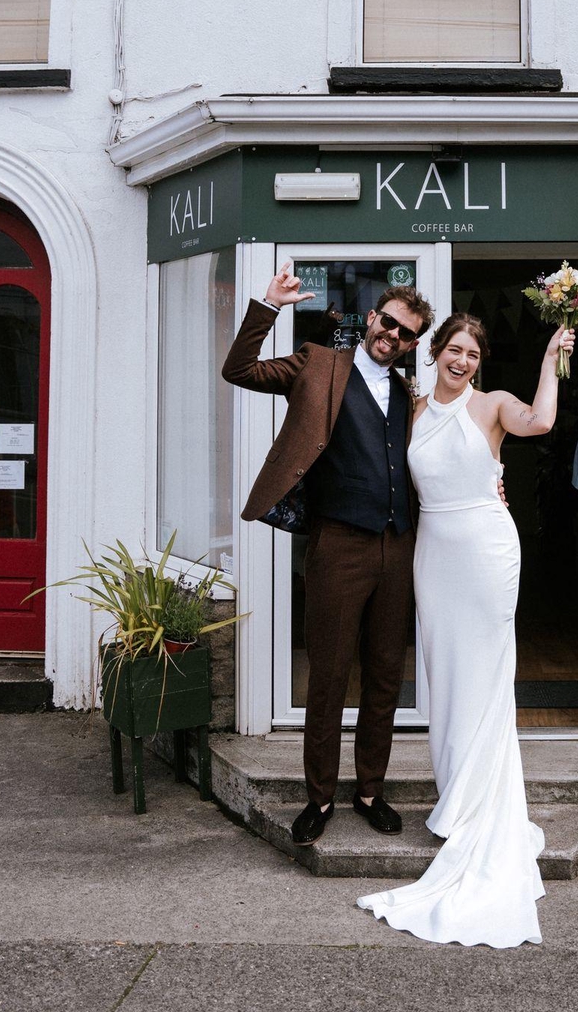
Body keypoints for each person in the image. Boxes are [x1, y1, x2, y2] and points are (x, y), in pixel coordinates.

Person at [358, 312, 575, 949]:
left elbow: (542, 422)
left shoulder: (495, 405)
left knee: (485, 675)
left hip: (485, 549)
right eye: (454, 349)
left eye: (473, 354)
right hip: (434, 553)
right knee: (445, 675)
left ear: (481, 362)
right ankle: (455, 796)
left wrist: (549, 360)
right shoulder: (411, 411)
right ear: (435, 351)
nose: (462, 361)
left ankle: (480, 805)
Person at [221, 262, 433, 847]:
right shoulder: (318, 363)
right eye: (389, 323)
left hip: (398, 546)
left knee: (385, 676)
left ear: (413, 344)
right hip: (338, 545)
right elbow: (238, 369)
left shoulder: (407, 394)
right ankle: (319, 797)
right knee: (330, 678)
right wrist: (269, 305)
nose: (393, 336)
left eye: (407, 333)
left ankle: (369, 791)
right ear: (372, 318)